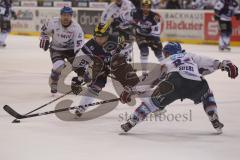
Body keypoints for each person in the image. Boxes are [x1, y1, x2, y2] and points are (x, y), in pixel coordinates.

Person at [120, 42, 238, 134]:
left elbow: (150, 80)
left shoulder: (165, 61)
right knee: (207, 94)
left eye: (165, 53)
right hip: (195, 83)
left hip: (174, 82)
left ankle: (132, 121)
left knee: (151, 102)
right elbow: (210, 62)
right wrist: (224, 64)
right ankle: (213, 116)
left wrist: (132, 91)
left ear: (167, 53)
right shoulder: (189, 56)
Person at [71, 22, 140, 117]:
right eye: (96, 36)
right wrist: (79, 77)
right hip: (101, 65)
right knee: (95, 85)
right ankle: (81, 108)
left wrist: (123, 58)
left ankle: (152, 104)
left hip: (117, 64)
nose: (98, 39)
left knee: (134, 84)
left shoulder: (117, 39)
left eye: (102, 37)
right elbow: (78, 62)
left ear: (108, 35)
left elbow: (128, 46)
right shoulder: (90, 45)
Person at [39, 6, 84, 94]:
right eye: (64, 15)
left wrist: (79, 59)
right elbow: (43, 32)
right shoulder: (53, 22)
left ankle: (76, 83)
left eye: (68, 15)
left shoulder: (76, 28)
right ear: (60, 15)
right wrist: (45, 39)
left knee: (82, 69)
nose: (66, 17)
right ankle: (54, 81)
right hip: (56, 50)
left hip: (71, 50)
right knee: (58, 66)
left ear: (71, 16)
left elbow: (79, 45)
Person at [119, 0, 163, 80]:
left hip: (152, 36)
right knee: (144, 51)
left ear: (150, 7)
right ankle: (144, 72)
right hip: (140, 35)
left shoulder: (155, 17)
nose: (145, 9)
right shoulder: (134, 12)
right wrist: (124, 23)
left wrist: (154, 41)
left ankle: (165, 68)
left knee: (158, 52)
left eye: (148, 7)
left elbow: (157, 30)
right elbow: (122, 16)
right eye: (144, 6)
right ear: (141, 6)